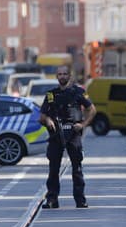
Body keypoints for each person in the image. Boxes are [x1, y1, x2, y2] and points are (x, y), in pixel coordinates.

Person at [39, 65, 96, 209]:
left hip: (73, 133)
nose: (62, 76)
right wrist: (48, 121)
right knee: (53, 169)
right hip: (56, 134)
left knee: (77, 168)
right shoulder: (51, 95)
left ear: (69, 76)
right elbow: (43, 115)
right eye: (60, 74)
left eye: (65, 74)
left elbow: (92, 110)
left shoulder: (79, 92)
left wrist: (83, 124)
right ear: (56, 77)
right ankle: (52, 199)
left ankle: (80, 199)